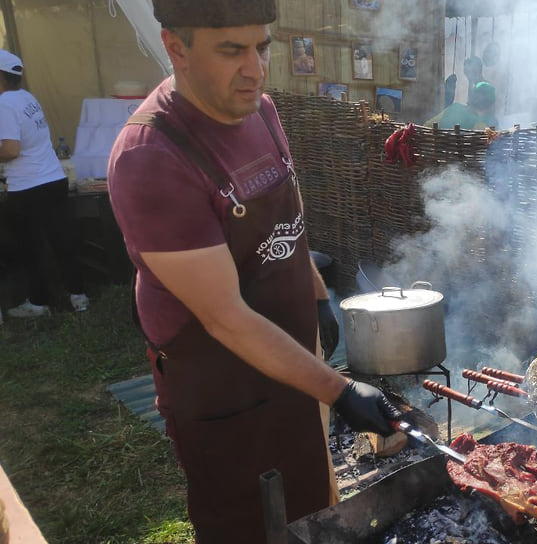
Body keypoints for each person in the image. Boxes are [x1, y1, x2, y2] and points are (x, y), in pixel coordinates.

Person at [107, 1, 402, 542]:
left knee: (314, 506)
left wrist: (315, 297)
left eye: (261, 47)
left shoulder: (259, 110)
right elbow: (225, 319)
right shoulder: (152, 158)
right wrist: (339, 390)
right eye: (231, 50)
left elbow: (290, 222)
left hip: (293, 362)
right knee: (249, 526)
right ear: (176, 48)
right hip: (225, 386)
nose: (255, 68)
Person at [0, 49, 89, 318]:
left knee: (31, 247)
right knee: (63, 241)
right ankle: (78, 296)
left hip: (27, 186)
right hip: (53, 179)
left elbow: (12, 150)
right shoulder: (28, 98)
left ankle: (38, 303)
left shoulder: (4, 105)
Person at [425, 81, 498, 130]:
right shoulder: (483, 124)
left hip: (439, 151)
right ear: (490, 104)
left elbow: (427, 126)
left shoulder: (454, 108)